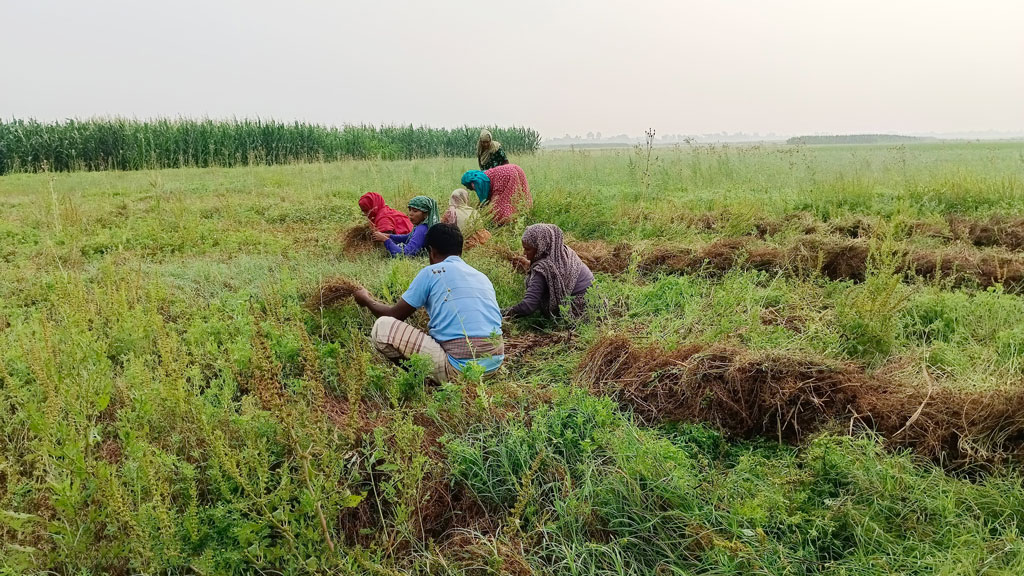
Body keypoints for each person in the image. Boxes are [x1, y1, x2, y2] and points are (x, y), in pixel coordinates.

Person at [354, 223, 505, 383]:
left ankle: (421, 380)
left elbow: (393, 315)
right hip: (492, 365)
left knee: (382, 327)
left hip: (459, 370)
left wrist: (367, 300)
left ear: (431, 252)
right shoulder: (481, 276)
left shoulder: (432, 272)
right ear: (460, 251)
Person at [504, 223, 594, 319]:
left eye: (527, 249)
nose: (524, 253)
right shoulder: (563, 252)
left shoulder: (544, 268)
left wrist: (501, 313)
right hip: (596, 301)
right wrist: (529, 266)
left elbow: (528, 306)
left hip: (582, 312)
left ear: (541, 247)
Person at [460, 164, 532, 226]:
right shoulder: (483, 174)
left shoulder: (477, 182)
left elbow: (484, 199)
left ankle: (505, 223)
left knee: (500, 205)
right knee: (519, 195)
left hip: (505, 175)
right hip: (515, 168)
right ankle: (523, 215)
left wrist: (481, 212)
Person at [372, 195, 439, 257]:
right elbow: (408, 237)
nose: (410, 214)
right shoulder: (424, 226)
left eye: (415, 211)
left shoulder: (422, 229)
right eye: (410, 210)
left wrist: (385, 240)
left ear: (426, 214)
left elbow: (405, 254)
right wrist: (389, 236)